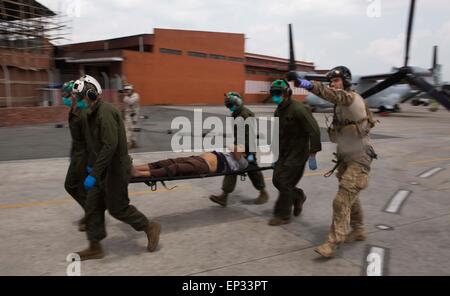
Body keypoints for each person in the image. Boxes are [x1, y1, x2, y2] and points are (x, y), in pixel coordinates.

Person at [290, 66, 377, 258]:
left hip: (360, 158)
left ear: (345, 82)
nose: (333, 84)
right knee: (349, 197)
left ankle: (333, 242)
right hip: (346, 157)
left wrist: (304, 83)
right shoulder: (341, 105)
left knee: (341, 200)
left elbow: (331, 94)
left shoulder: (349, 98)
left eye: (336, 81)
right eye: (331, 81)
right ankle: (359, 229)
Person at [71, 75, 161, 261]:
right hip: (100, 169)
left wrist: (94, 173)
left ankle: (149, 226)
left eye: (79, 97)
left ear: (91, 94)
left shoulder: (106, 112)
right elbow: (91, 144)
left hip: (115, 169)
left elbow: (109, 146)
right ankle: (95, 247)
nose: (77, 101)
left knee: (117, 208)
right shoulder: (89, 114)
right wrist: (90, 166)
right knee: (92, 206)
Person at [268, 79, 322, 226]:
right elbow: (277, 133)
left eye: (278, 94)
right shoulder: (279, 110)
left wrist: (313, 153)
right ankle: (298, 196)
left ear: (287, 93)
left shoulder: (299, 109)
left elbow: (314, 130)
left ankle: (282, 215)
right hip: (284, 151)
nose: (275, 97)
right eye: (273, 94)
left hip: (298, 153)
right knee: (276, 181)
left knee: (285, 182)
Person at [209, 92, 268, 207]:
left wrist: (245, 152)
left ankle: (263, 193)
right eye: (228, 106)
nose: (230, 108)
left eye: (231, 105)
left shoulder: (245, 115)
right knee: (232, 168)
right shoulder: (237, 114)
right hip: (239, 147)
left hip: (248, 149)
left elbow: (249, 136)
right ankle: (224, 196)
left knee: (253, 169)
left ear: (238, 103)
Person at [62, 80, 89, 231]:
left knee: (75, 186)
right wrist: (72, 155)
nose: (64, 99)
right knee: (73, 186)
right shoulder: (74, 110)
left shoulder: (82, 113)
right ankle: (91, 213)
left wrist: (91, 162)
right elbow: (76, 138)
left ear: (74, 95)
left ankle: (92, 214)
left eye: (66, 95)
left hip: (84, 156)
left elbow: (89, 139)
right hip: (77, 155)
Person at [133, 145, 248, 178]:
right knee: (168, 162)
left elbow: (233, 148)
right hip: (197, 159)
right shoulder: (234, 154)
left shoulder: (243, 162)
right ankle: (136, 167)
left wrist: (238, 147)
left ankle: (139, 174)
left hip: (204, 166)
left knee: (176, 168)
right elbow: (233, 147)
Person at [122, 84, 140, 149]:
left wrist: (126, 96)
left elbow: (131, 102)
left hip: (134, 115)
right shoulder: (125, 97)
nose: (127, 91)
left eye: (128, 90)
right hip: (128, 115)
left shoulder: (136, 95)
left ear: (132, 90)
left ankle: (130, 142)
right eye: (126, 90)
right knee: (128, 129)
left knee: (131, 129)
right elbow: (125, 107)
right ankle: (131, 142)